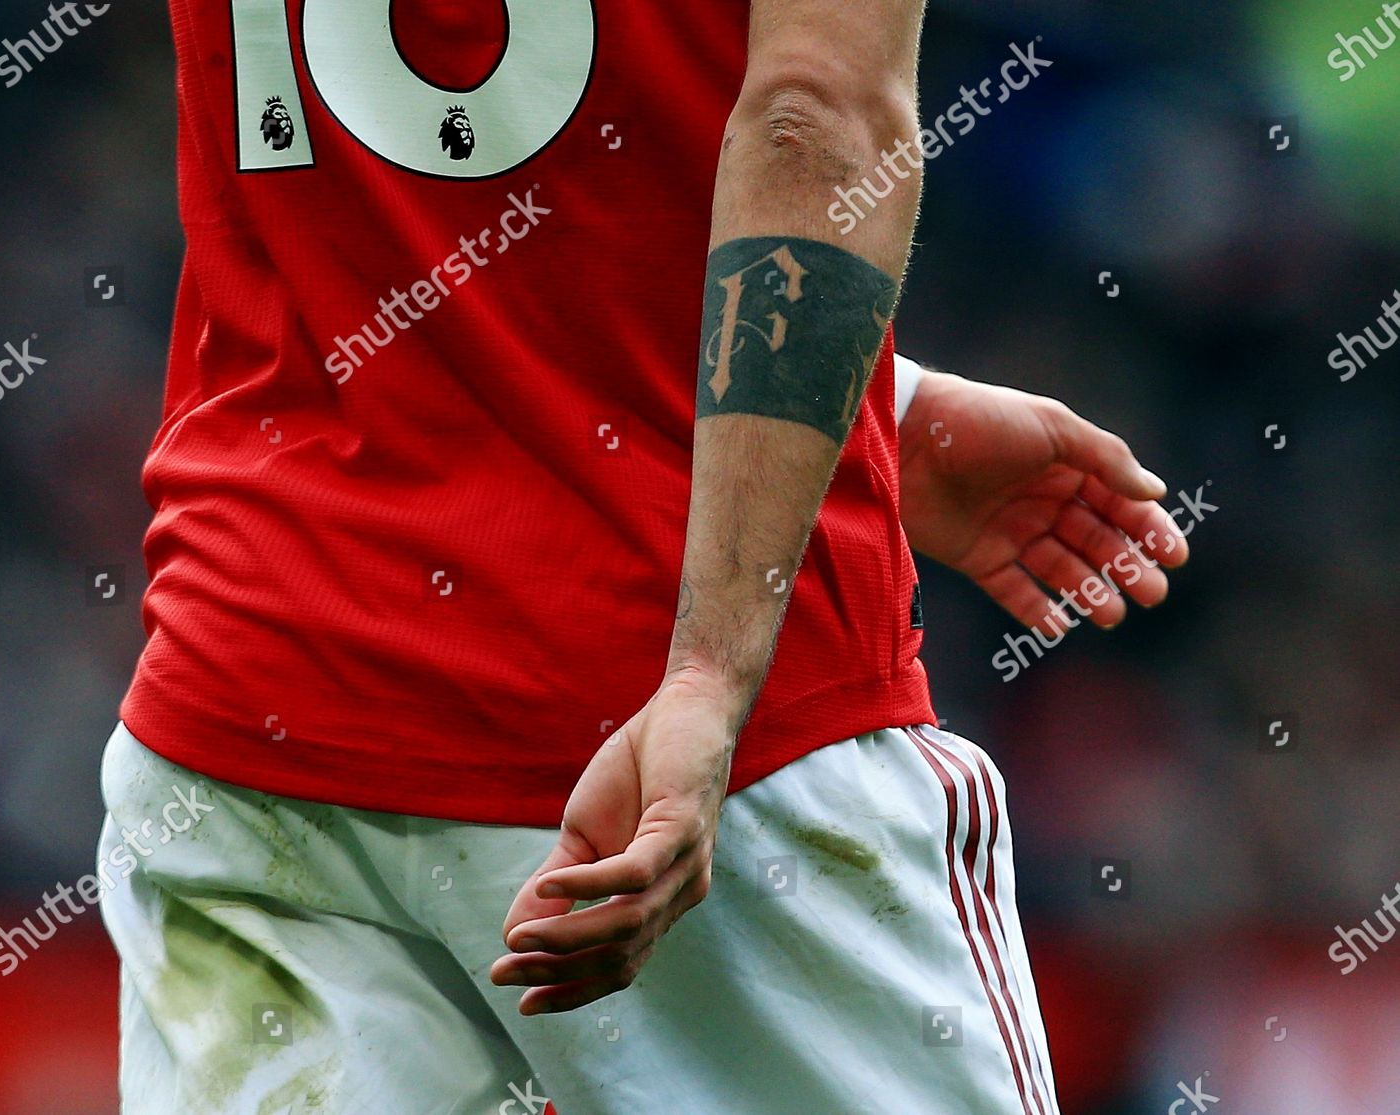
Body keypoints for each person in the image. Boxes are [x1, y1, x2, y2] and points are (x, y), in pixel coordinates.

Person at [98, 1, 1185, 1111]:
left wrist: (876, 406)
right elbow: (816, 120)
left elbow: (390, 188)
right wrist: (710, 670)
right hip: (659, 732)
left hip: (251, 716)